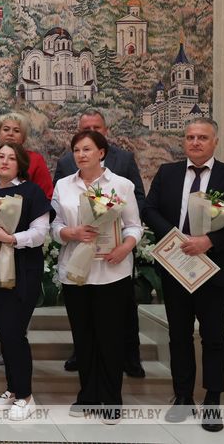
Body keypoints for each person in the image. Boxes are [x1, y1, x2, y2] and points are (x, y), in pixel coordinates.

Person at [143, 118, 224, 432]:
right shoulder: (168, 173)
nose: (195, 142)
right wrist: (175, 237)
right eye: (190, 137)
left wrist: (209, 241)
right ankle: (182, 397)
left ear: (215, 141)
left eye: (202, 137)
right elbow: (149, 209)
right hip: (175, 266)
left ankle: (213, 400)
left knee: (214, 337)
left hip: (213, 269)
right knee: (178, 335)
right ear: (184, 141)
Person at [51, 130, 142, 424]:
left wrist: (125, 248)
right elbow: (55, 227)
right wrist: (71, 232)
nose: (81, 155)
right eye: (77, 150)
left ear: (101, 153)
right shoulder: (64, 185)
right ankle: (87, 395)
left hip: (112, 271)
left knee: (110, 337)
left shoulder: (121, 185)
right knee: (83, 337)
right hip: (76, 271)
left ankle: (112, 399)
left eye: (87, 149)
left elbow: (134, 226)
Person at [0, 142, 50, 421]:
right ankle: (13, 390)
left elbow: (40, 233)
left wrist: (11, 239)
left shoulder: (31, 192)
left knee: (14, 333)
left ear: (20, 164)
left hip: (23, 272)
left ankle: (26, 396)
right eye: (0, 157)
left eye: (11, 158)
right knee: (4, 333)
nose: (4, 161)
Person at [0, 112, 53, 199]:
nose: (10, 134)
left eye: (16, 131)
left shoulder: (35, 160)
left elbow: (46, 195)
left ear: (23, 137)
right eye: (6, 129)